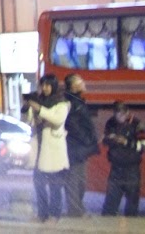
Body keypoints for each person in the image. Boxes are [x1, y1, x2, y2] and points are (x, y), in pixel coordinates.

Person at [26, 74, 72, 222]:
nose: (45, 88)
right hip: (39, 149)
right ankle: (42, 213)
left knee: (55, 185)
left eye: (48, 85)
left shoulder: (61, 103)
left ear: (54, 86)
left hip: (53, 152)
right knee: (38, 184)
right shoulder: (38, 101)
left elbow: (57, 120)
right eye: (43, 85)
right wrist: (29, 109)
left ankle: (55, 215)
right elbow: (29, 121)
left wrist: (40, 109)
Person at [64, 73, 99, 216]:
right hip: (75, 147)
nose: (83, 83)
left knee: (80, 180)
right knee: (74, 179)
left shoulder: (78, 101)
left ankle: (78, 209)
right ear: (73, 86)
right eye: (80, 81)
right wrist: (86, 139)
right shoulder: (72, 102)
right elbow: (72, 124)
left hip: (80, 148)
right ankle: (75, 211)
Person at [102, 101, 143, 217]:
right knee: (110, 204)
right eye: (116, 113)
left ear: (127, 112)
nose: (118, 117)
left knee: (132, 204)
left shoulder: (137, 124)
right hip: (116, 168)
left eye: (121, 114)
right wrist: (110, 139)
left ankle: (131, 221)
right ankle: (107, 222)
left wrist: (126, 142)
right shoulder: (111, 123)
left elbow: (143, 145)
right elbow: (105, 139)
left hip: (132, 169)